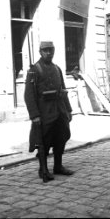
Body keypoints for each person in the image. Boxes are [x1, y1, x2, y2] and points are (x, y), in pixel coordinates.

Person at [24, 41, 74, 183]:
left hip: (60, 110)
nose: (48, 53)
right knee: (43, 141)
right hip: (44, 112)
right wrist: (34, 115)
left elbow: (63, 91)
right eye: (45, 50)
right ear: (40, 52)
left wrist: (69, 110)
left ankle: (58, 166)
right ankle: (43, 169)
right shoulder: (34, 70)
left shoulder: (57, 69)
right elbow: (29, 95)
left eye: (50, 50)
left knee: (62, 137)